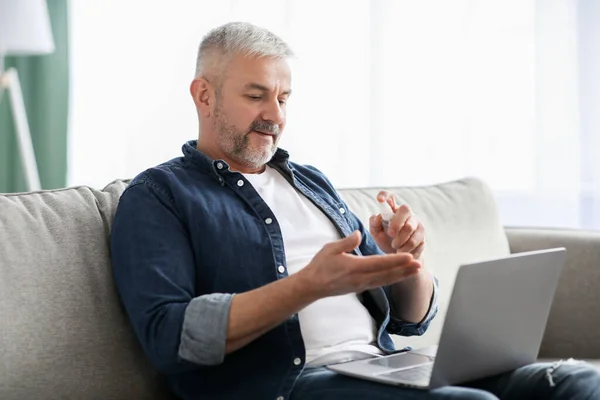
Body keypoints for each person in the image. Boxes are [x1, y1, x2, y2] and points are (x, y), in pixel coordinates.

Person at [110, 22, 600, 400]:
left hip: (382, 365)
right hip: (292, 383)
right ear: (203, 94)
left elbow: (408, 321)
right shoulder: (161, 196)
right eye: (256, 95)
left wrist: (406, 262)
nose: (276, 115)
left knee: (577, 383)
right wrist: (306, 287)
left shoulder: (310, 182)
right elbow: (171, 339)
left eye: (283, 98)